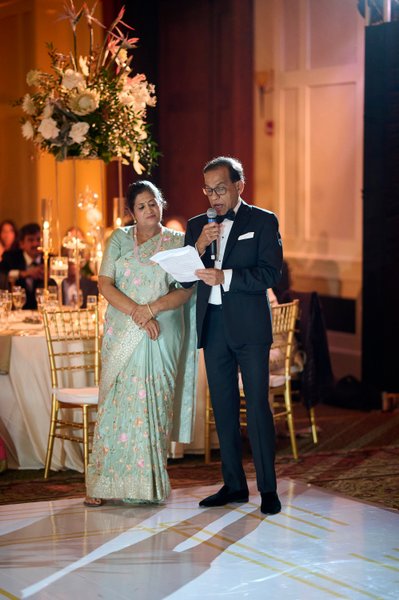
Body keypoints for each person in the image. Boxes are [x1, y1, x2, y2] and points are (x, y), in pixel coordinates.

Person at [85, 181, 197, 506]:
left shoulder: (177, 242)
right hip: (123, 330)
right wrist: (137, 312)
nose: (150, 210)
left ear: (162, 202)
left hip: (161, 333)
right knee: (115, 409)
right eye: (142, 206)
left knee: (154, 407)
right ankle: (102, 485)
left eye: (153, 203)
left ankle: (145, 486)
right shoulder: (119, 239)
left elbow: (186, 288)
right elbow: (104, 283)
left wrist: (152, 310)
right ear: (131, 212)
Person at [184, 156, 283, 515]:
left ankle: (268, 489)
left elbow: (271, 274)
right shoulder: (197, 225)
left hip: (250, 327)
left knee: (256, 406)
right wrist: (196, 247)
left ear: (239, 186)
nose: (214, 197)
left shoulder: (262, 221)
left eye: (220, 188)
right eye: (208, 190)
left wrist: (226, 277)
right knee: (223, 408)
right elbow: (182, 278)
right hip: (213, 327)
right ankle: (234, 485)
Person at [0, 223, 44, 309]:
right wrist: (24, 273)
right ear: (21, 243)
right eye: (31, 240)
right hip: (16, 311)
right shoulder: (11, 257)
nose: (35, 244)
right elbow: (2, 274)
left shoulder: (49, 260)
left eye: (38, 240)